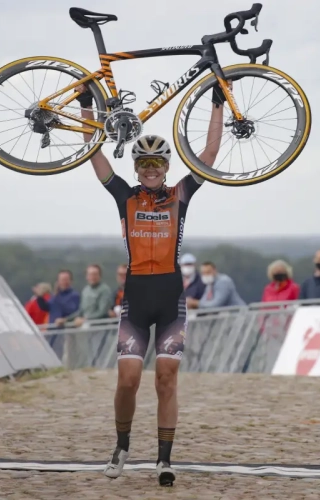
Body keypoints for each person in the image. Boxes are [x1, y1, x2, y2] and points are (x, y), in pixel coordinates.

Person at [76, 79, 226, 486]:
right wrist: (87, 107)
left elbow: (210, 154)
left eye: (157, 164)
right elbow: (96, 155)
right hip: (137, 298)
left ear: (166, 168)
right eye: (143, 164)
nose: (150, 170)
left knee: (165, 378)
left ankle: (164, 459)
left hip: (171, 298)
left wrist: (218, 103)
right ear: (137, 169)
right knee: (127, 379)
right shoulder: (125, 195)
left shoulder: (180, 194)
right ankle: (122, 446)